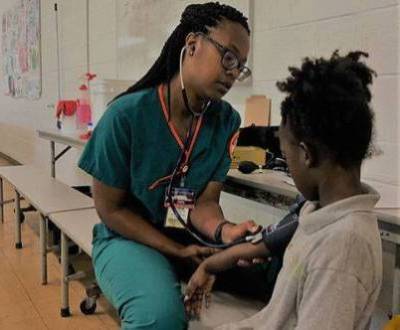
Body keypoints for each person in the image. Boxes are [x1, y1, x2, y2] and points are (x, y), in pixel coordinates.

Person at [78, 2, 276, 329]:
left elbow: (204, 202)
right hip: (128, 239)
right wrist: (174, 249)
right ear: (193, 45)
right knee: (159, 319)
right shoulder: (125, 116)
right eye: (228, 57)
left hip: (188, 236)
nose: (232, 72)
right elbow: (110, 210)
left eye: (240, 66)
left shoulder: (226, 121)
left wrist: (226, 232)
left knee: (277, 269)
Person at [185, 50, 382, 330]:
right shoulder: (321, 209)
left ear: (306, 155)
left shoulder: (343, 248)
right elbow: (271, 241)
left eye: (287, 158)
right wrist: (210, 264)